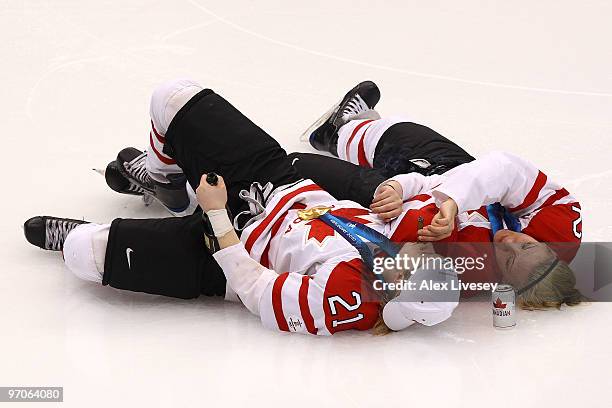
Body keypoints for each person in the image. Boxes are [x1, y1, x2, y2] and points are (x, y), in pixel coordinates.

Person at [23, 79, 582, 336]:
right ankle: (167, 178)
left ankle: (114, 228)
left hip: (228, 249)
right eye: (529, 243)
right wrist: (421, 195)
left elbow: (255, 290)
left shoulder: (352, 300)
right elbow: (501, 170)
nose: (514, 242)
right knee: (172, 98)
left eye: (411, 264)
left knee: (84, 252)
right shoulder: (419, 245)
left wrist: (218, 217)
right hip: (283, 185)